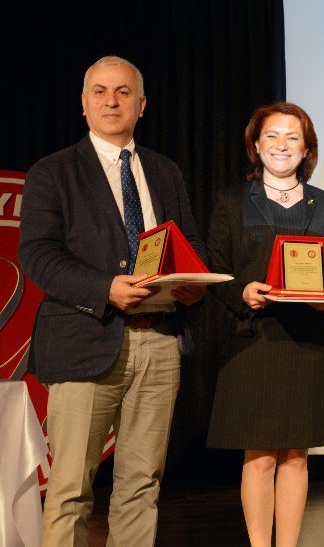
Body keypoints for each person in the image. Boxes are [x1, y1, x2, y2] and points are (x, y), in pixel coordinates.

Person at [18, 55, 207, 547]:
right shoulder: (53, 171)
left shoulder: (165, 171)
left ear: (141, 105)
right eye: (100, 92)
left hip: (159, 344)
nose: (111, 101)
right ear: (83, 105)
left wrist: (193, 281)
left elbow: (188, 242)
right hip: (85, 341)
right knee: (69, 490)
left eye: (123, 92)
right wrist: (106, 288)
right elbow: (37, 255)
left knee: (141, 486)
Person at [205, 102, 324, 547]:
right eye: (272, 136)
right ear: (255, 144)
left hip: (304, 340)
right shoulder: (231, 200)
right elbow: (217, 270)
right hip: (252, 339)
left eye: (292, 138)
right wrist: (242, 291)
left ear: (306, 149)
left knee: (297, 456)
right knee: (260, 455)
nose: (281, 146)